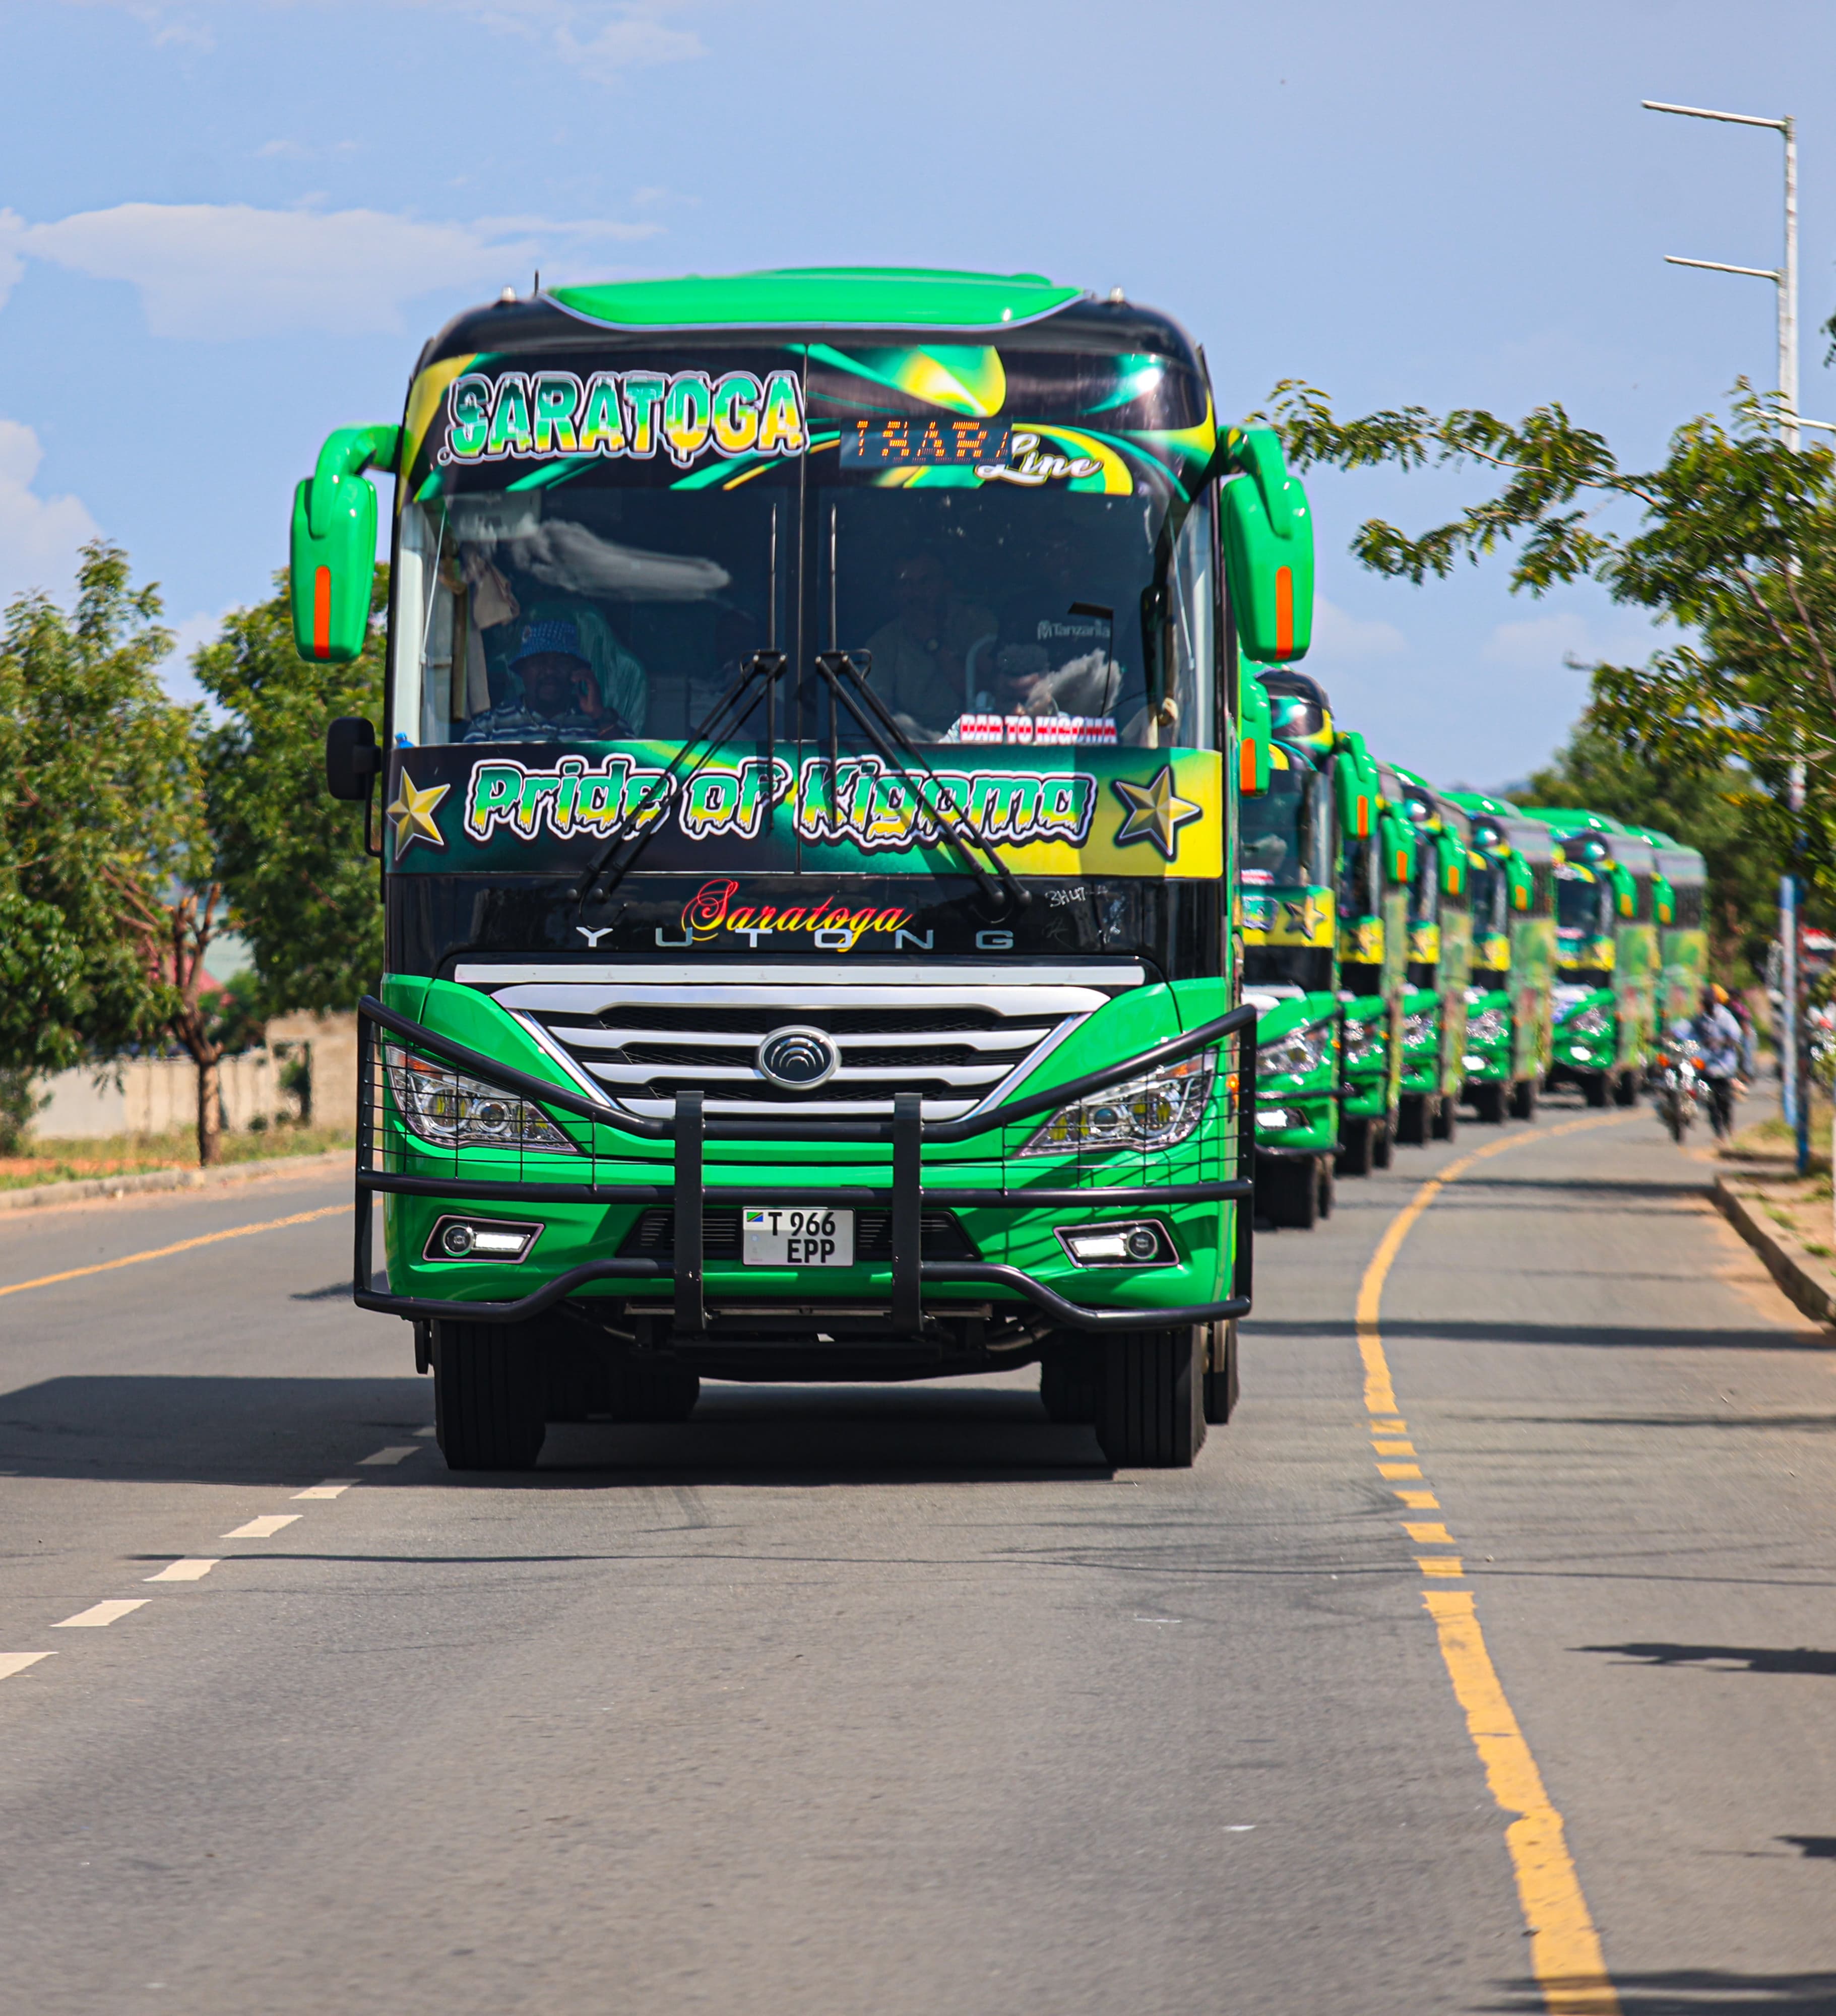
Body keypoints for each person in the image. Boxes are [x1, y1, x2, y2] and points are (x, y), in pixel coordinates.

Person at [864, 550, 994, 734]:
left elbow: (989, 692)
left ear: (947, 585)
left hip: (975, 738)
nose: (916, 593)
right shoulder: (882, 644)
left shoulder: (977, 624)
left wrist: (933, 643)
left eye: (926, 582)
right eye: (906, 584)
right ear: (895, 593)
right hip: (912, 744)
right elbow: (877, 717)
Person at [463, 619, 634, 743]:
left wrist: (599, 716)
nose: (550, 671)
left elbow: (636, 771)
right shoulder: (488, 728)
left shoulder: (607, 722)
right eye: (539, 662)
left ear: (577, 671)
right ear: (522, 671)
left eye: (561, 662)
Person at [1693, 984, 1744, 1140]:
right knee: (1710, 1103)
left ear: (1715, 1001)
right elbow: (1688, 1031)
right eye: (1705, 1001)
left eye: (1709, 1001)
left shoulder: (1725, 1017)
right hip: (1706, 1068)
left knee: (1724, 1100)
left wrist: (1720, 1042)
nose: (1707, 1003)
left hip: (1723, 1067)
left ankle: (1728, 1125)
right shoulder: (1701, 1019)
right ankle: (1719, 1132)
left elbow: (1735, 1038)